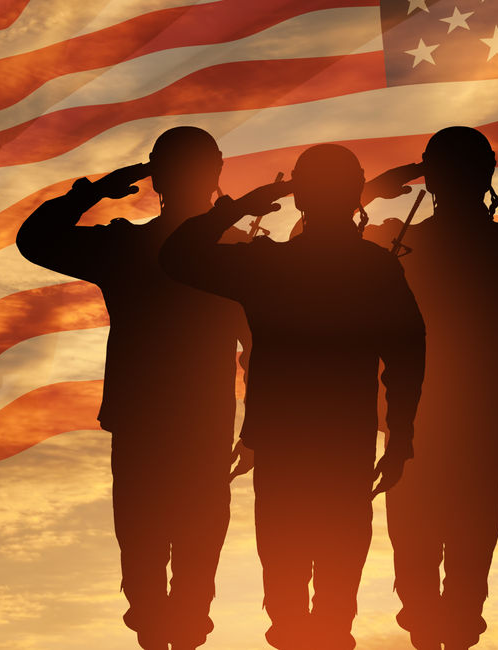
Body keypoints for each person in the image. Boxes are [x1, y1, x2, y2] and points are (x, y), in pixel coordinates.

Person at [160, 143, 426, 650]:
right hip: (342, 446)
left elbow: (177, 257)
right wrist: (401, 436)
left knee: (287, 595)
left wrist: (242, 205)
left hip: (284, 445)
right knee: (333, 596)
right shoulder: (375, 269)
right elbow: (408, 356)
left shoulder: (268, 267)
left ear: (300, 197)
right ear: (355, 195)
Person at [15, 126, 248, 650]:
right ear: (215, 174)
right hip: (195, 422)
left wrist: (97, 190)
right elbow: (258, 345)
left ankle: (160, 624)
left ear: (156, 177)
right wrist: (257, 422)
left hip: (157, 420)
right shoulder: (232, 250)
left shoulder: (128, 247)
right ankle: (168, 624)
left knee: (154, 553)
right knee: (183, 556)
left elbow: (36, 238)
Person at [367, 127, 498, 650]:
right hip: (442, 425)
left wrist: (374, 189)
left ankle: (437, 633)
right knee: (449, 566)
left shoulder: (402, 247)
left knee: (428, 561)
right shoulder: (494, 251)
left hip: (427, 425)